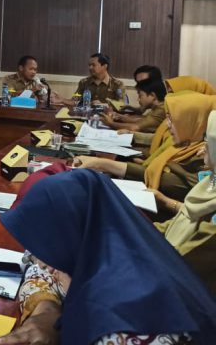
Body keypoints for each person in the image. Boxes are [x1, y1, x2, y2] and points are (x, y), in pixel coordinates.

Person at [0, 170, 216, 345]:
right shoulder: (115, 250)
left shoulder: (126, 319)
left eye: (44, 246)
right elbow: (41, 269)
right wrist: (46, 311)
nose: (38, 261)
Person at [74, 91, 216, 202]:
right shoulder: (183, 145)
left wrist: (102, 163)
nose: (167, 125)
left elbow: (161, 178)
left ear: (192, 120)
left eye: (173, 119)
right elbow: (150, 171)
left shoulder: (204, 157)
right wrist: (100, 163)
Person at [151, 111, 216, 294]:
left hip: (182, 294)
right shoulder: (210, 182)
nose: (203, 147)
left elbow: (182, 263)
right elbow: (174, 225)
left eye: (209, 142)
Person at [100, 76, 166, 134]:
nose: (138, 99)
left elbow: (135, 128)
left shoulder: (161, 110)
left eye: (140, 96)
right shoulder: (157, 108)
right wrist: (119, 116)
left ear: (152, 95)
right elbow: (143, 120)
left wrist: (111, 123)